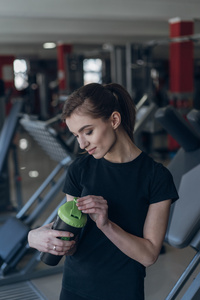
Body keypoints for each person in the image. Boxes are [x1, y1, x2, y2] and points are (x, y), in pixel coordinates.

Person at [28, 83, 179, 300]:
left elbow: (148, 256)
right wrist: (38, 237)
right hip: (74, 287)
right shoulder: (79, 169)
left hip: (122, 291)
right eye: (76, 135)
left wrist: (107, 225)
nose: (82, 143)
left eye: (88, 131)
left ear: (114, 120)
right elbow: (72, 242)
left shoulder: (156, 177)